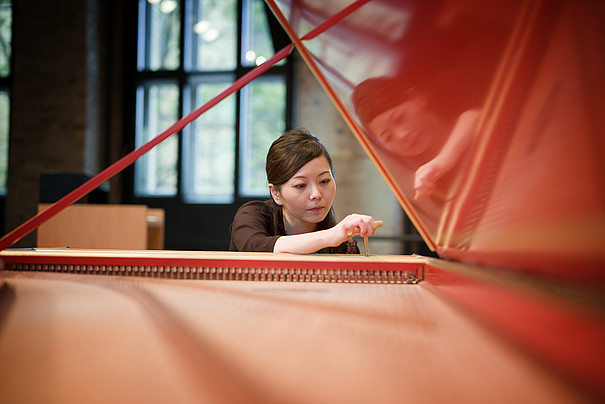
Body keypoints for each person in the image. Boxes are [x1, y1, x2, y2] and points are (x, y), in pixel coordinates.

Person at [229, 129, 379, 254]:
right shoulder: (252, 215)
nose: (316, 194)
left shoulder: (343, 247)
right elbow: (256, 247)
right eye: (301, 185)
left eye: (324, 181)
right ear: (275, 193)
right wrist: (331, 236)